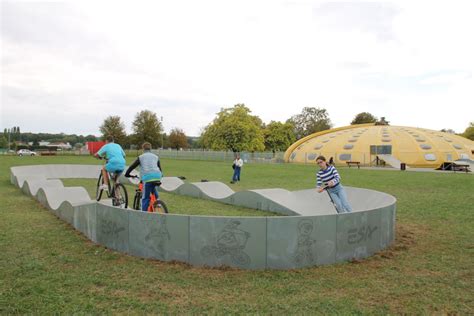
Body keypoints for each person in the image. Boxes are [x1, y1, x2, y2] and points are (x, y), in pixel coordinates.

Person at [124, 142, 163, 211]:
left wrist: (127, 174)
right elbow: (160, 168)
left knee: (145, 198)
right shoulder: (156, 157)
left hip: (147, 177)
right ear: (150, 149)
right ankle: (158, 200)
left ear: (143, 149)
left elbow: (132, 167)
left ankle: (143, 215)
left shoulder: (141, 157)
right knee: (153, 186)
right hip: (158, 175)